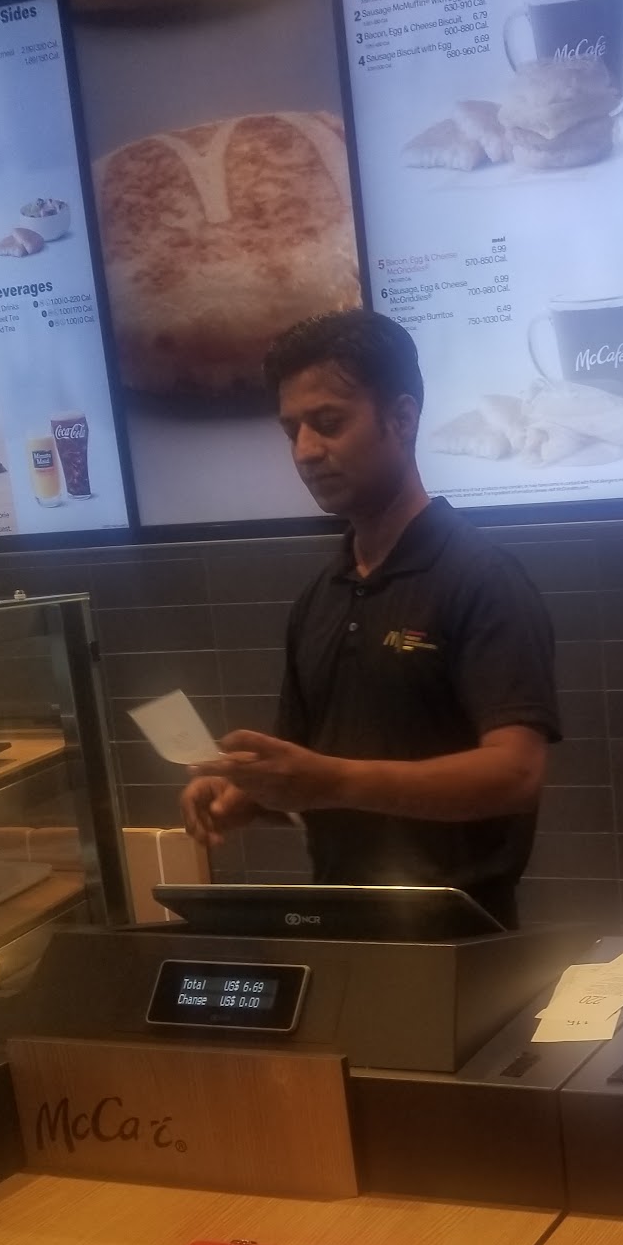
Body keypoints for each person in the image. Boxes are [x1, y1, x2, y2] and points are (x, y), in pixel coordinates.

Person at [179, 310, 560, 927]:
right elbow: (316, 774)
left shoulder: (481, 579)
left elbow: (516, 774)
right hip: (337, 930)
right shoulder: (320, 598)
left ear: (402, 419)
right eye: (292, 430)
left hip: (460, 939)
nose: (305, 451)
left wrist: (333, 781)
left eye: (328, 423)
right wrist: (250, 794)